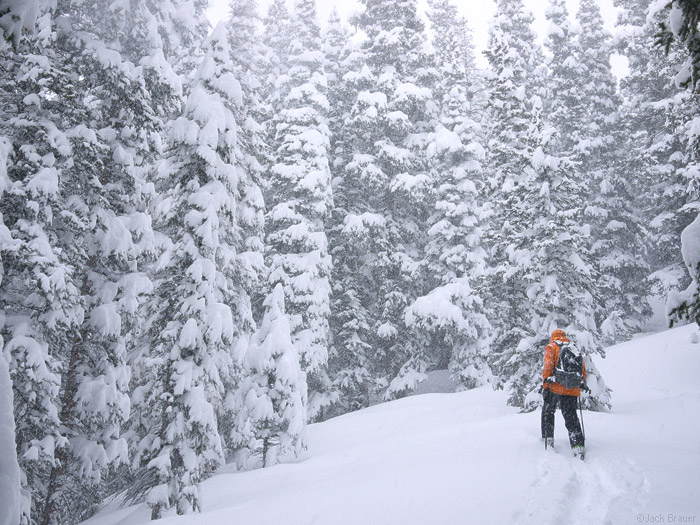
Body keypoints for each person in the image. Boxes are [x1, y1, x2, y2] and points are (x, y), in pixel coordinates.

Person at [541, 329, 586, 457]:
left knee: (548, 411)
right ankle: (578, 445)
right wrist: (581, 382)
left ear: (553, 337)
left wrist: (546, 384)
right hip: (572, 387)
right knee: (570, 414)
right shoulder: (573, 347)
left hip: (555, 386)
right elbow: (582, 368)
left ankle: (548, 438)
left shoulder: (551, 347)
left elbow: (548, 366)